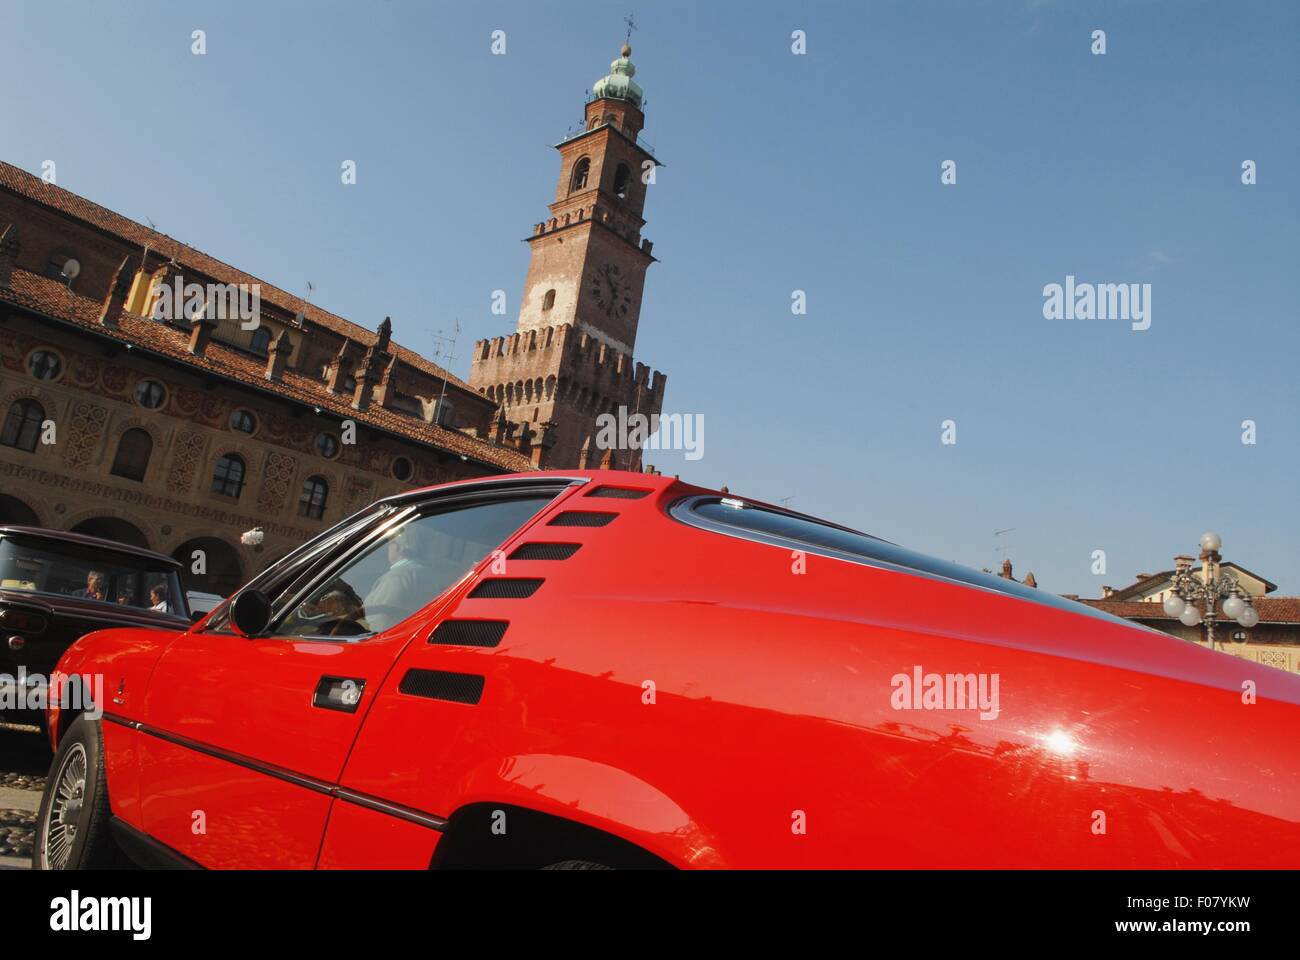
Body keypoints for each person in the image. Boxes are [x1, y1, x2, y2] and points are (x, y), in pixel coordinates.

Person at [362, 523, 440, 631]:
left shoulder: (397, 577)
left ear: (398, 547)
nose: (388, 548)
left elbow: (378, 624)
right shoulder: (428, 575)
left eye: (390, 543)